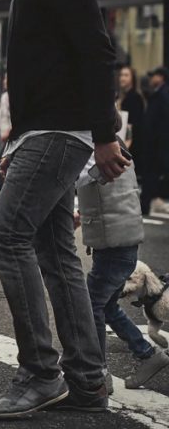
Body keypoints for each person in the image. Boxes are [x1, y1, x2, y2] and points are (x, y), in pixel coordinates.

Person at [0, 0, 127, 419]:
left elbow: (96, 52)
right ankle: (87, 381)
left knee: (6, 236)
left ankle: (41, 373)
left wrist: (105, 134)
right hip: (42, 131)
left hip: (62, 131)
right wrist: (15, 140)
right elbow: (40, 72)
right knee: (55, 252)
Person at [76, 119, 169, 392]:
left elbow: (78, 177)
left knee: (91, 305)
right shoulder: (114, 148)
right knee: (106, 306)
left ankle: (97, 372)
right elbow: (108, 195)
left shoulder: (101, 150)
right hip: (118, 245)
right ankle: (147, 354)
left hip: (115, 249)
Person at [140, 66, 169, 215]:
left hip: (156, 145)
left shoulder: (163, 94)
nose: (151, 79)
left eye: (153, 76)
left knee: (150, 175)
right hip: (155, 144)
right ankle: (145, 204)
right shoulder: (159, 93)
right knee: (151, 175)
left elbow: (163, 122)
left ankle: (144, 205)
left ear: (161, 77)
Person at [118, 66, 145, 151]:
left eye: (126, 75)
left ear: (132, 78)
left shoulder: (135, 97)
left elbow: (134, 123)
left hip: (131, 144)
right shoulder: (123, 96)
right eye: (121, 75)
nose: (122, 78)